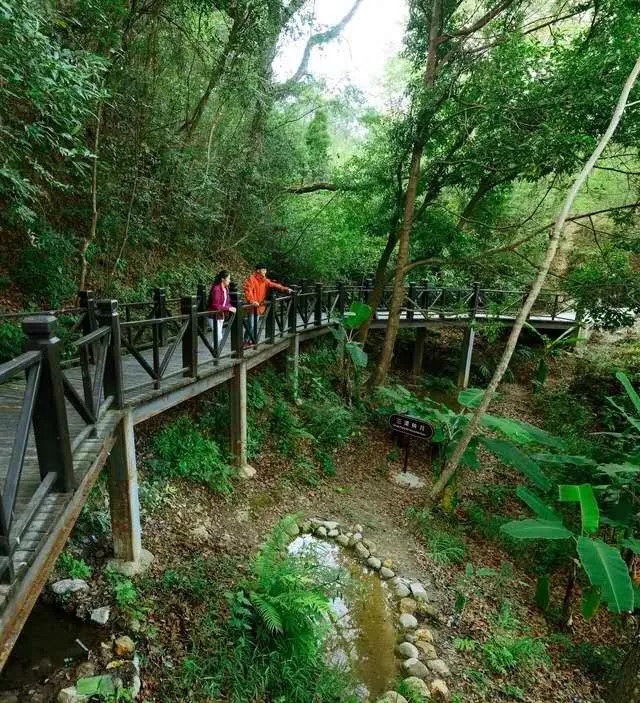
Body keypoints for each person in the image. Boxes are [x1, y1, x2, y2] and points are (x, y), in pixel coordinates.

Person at [243, 264, 292, 345]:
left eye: (265, 270)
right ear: (258, 270)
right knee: (250, 324)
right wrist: (252, 301)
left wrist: (286, 289)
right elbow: (248, 291)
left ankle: (251, 341)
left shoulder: (264, 280)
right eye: (263, 270)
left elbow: (275, 285)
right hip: (253, 306)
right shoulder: (251, 279)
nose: (265, 272)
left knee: (254, 324)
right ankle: (245, 342)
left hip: (260, 306)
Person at [208, 270, 236, 345]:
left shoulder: (226, 289)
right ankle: (215, 353)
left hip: (221, 315)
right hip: (214, 316)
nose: (230, 280)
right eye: (228, 278)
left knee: (218, 336)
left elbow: (228, 302)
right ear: (223, 279)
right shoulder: (216, 289)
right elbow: (215, 305)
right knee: (219, 336)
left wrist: (231, 307)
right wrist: (228, 308)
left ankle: (215, 353)